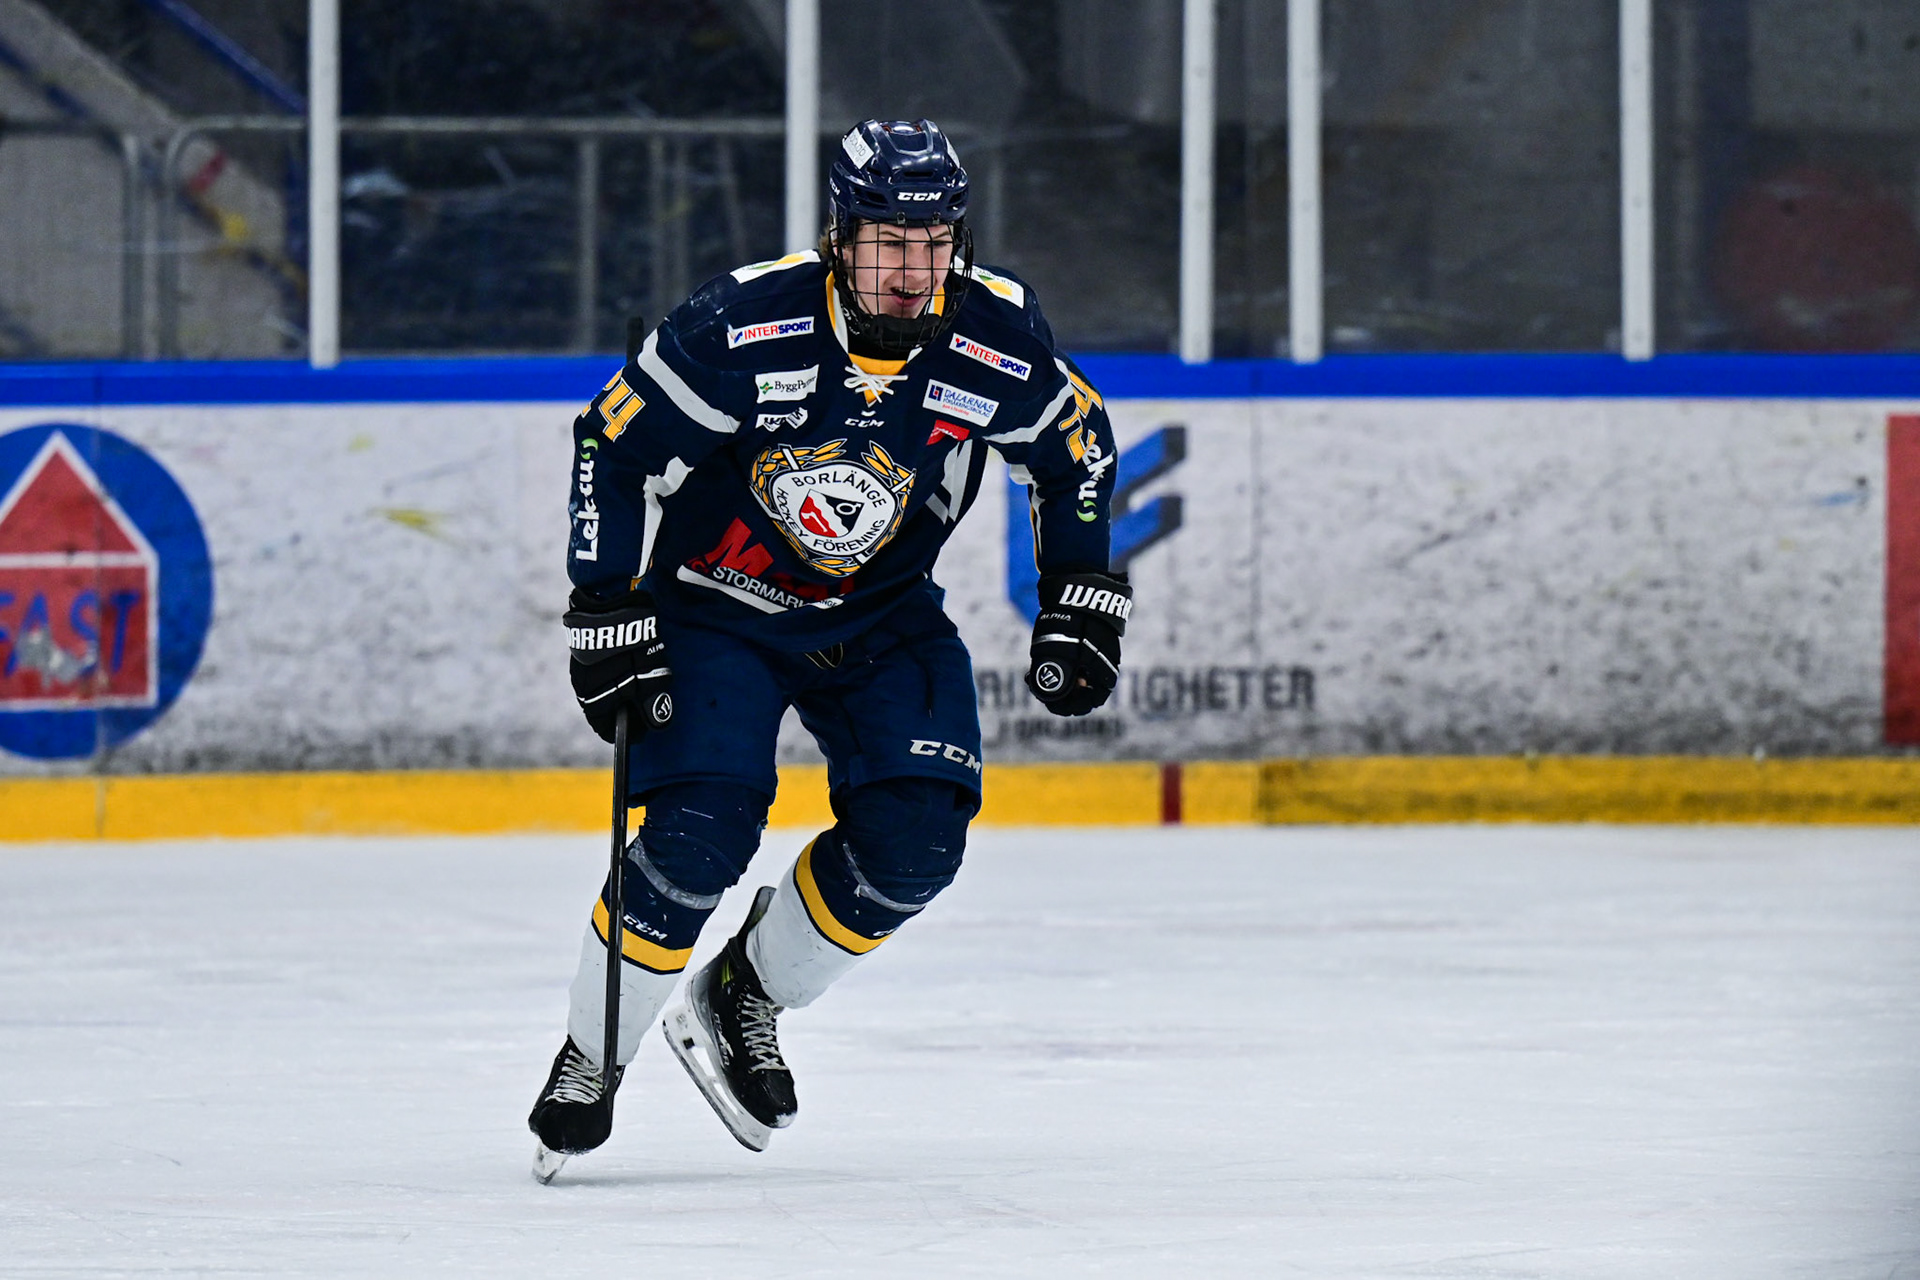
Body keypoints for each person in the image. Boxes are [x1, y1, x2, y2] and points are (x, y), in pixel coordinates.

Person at [527, 118, 1133, 1171]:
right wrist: (607, 607)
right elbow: (611, 445)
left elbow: (1073, 444)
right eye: (888, 242)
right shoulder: (742, 323)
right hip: (718, 607)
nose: (911, 269)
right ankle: (593, 1054)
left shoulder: (995, 333)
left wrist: (1079, 595)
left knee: (918, 841)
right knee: (699, 832)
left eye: (932, 243)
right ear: (840, 237)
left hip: (884, 613)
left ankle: (744, 994)